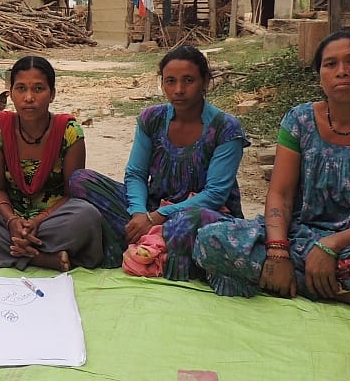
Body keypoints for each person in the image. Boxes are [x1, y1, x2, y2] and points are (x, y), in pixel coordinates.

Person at [194, 31, 350, 319]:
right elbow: (281, 193)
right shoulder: (300, 121)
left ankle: (299, 281)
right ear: (320, 76)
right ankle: (344, 292)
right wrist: (277, 252)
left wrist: (330, 246)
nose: (342, 72)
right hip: (302, 234)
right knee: (210, 239)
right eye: (330, 64)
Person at [69, 45, 249, 276]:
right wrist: (138, 214)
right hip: (152, 209)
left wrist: (158, 217)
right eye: (170, 81)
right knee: (81, 180)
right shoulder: (152, 118)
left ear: (205, 82)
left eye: (188, 80)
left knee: (194, 222)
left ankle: (142, 250)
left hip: (199, 215)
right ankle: (151, 248)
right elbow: (136, 174)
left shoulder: (225, 128)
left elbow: (215, 195)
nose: (179, 90)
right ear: (162, 83)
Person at [0, 56, 104, 271]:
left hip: (53, 220)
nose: (29, 98)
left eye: (39, 89)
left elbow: (73, 195)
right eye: (21, 89)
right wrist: (12, 221)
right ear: (12, 93)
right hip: (5, 216)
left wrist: (37, 222)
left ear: (52, 94)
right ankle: (39, 257)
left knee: (87, 215)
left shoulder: (69, 132)